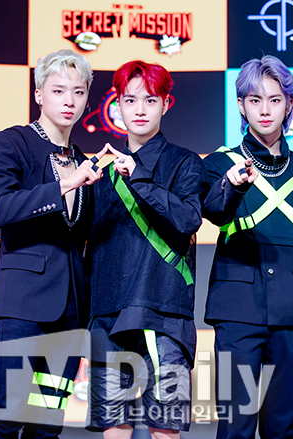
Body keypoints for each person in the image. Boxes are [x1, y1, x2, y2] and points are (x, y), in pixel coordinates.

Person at [202, 55, 293, 439]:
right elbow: (212, 211)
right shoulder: (219, 164)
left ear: (289, 104)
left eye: (275, 100)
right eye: (255, 100)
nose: (265, 110)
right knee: (235, 429)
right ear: (241, 105)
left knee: (282, 431)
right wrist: (233, 185)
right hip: (236, 314)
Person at [0, 49, 105, 438]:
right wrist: (66, 184)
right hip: (23, 307)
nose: (69, 101)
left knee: (47, 425)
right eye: (58, 90)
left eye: (79, 92)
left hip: (70, 313)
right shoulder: (10, 143)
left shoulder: (83, 160)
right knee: (7, 417)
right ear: (38, 94)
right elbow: (1, 208)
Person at [86, 60, 206, 439]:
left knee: (164, 427)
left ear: (165, 104)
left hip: (165, 313)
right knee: (113, 426)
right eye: (130, 100)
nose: (140, 109)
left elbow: (188, 219)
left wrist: (137, 176)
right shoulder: (98, 173)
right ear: (117, 105)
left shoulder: (185, 162)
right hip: (108, 313)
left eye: (150, 100)